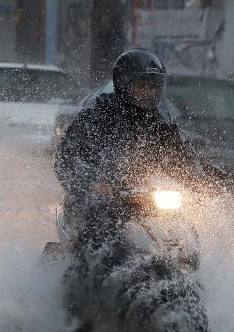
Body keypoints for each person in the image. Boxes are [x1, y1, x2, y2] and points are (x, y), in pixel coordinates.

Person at [53, 49, 211, 242]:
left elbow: (181, 157)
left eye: (153, 86)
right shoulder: (96, 117)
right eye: (141, 85)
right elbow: (65, 159)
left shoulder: (159, 123)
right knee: (99, 232)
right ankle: (88, 260)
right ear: (123, 84)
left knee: (180, 229)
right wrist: (92, 182)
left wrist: (206, 181)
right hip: (95, 199)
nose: (148, 92)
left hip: (142, 197)